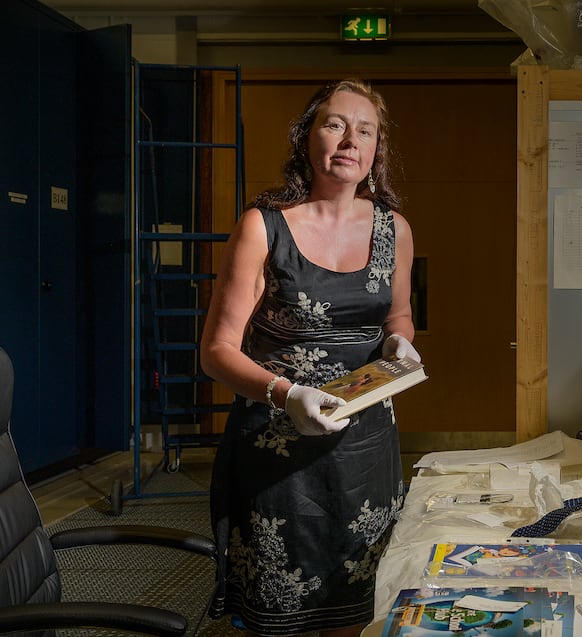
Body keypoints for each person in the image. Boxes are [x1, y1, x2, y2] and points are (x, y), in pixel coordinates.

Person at [200, 79, 419, 637]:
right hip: (277, 448)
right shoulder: (263, 225)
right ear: (306, 138)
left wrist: (399, 342)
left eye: (365, 131)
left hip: (365, 450)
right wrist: (287, 393)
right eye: (334, 124)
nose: (349, 140)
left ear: (376, 150)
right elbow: (216, 352)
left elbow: (397, 316)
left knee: (356, 612)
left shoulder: (394, 230)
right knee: (282, 618)